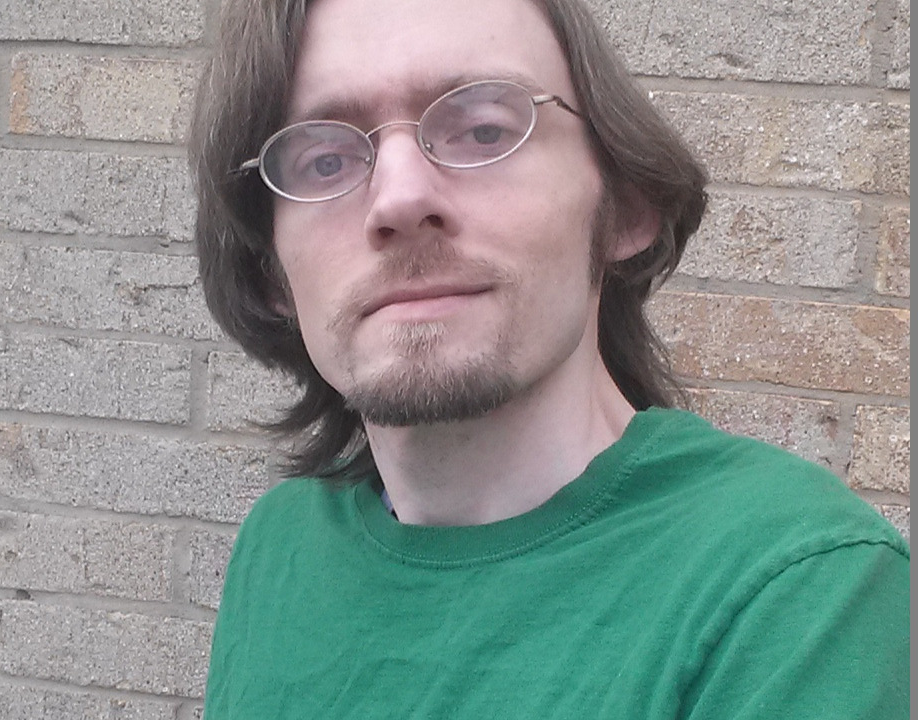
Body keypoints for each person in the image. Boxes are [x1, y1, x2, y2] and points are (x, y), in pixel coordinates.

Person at [189, 0, 910, 717]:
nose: (400, 198)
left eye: (483, 129)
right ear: (272, 273)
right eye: (323, 161)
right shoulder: (280, 545)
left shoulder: (794, 585)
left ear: (624, 205)